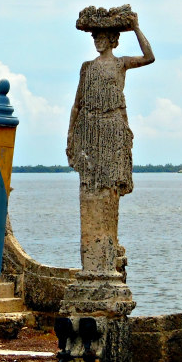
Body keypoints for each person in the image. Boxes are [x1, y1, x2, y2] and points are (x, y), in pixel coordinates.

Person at [66, 17, 154, 277]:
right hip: (90, 128)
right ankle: (95, 262)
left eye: (102, 36)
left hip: (112, 128)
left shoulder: (121, 63)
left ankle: (105, 257)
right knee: (91, 187)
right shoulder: (87, 68)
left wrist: (136, 27)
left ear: (113, 39)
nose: (98, 41)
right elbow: (77, 104)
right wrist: (71, 134)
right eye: (95, 37)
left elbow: (149, 56)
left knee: (109, 189)